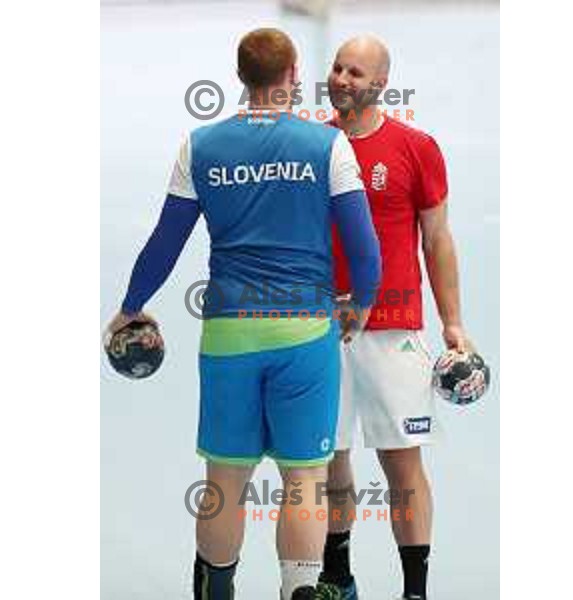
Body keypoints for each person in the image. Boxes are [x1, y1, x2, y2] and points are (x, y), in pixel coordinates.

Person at [105, 29, 381, 600]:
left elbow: (165, 242)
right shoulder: (327, 146)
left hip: (230, 333)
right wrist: (362, 303)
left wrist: (130, 307)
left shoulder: (200, 145)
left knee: (225, 482)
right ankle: (298, 591)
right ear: (293, 72)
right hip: (305, 333)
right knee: (304, 480)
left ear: (239, 76)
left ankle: (215, 592)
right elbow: (364, 250)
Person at [318, 36, 472, 600]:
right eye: (337, 68)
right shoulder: (314, 144)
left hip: (394, 331)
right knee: (329, 461)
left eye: (355, 72)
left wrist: (452, 320)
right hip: (323, 330)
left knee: (402, 467)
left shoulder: (416, 147)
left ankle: (415, 591)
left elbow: (436, 238)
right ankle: (337, 578)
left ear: (381, 83)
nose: (342, 78)